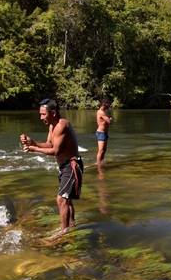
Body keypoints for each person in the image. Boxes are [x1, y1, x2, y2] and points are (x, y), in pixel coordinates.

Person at [20, 99, 83, 234]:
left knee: (61, 199)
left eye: (43, 114)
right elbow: (49, 144)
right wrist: (33, 142)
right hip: (64, 166)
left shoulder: (62, 125)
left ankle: (63, 233)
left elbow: (55, 151)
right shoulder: (52, 126)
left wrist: (33, 149)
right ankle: (72, 227)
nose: (41, 117)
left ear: (53, 113)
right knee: (67, 199)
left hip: (72, 165)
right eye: (40, 114)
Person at [95, 98, 113, 165]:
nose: (109, 105)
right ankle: (98, 164)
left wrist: (109, 117)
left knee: (104, 150)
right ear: (104, 104)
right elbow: (109, 121)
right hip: (101, 133)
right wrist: (110, 119)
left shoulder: (104, 112)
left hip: (104, 133)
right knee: (101, 150)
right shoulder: (101, 112)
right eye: (108, 104)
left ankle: (101, 162)